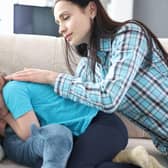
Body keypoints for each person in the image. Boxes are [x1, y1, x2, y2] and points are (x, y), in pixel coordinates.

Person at [4, 0, 167, 167]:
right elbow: (80, 106)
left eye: (65, 17)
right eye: (58, 23)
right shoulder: (87, 66)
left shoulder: (129, 34)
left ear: (91, 9)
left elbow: (109, 98)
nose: (60, 29)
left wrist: (50, 77)